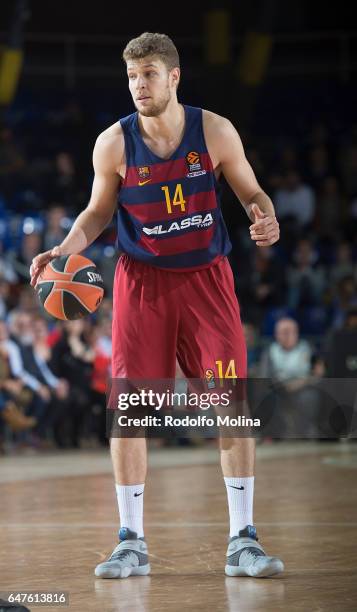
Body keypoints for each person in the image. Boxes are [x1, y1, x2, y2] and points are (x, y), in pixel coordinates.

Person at [30, 32, 283, 579]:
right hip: (141, 283)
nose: (138, 85)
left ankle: (243, 539)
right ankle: (130, 542)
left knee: (230, 405)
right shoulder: (113, 144)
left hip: (206, 282)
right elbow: (97, 213)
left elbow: (251, 192)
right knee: (130, 413)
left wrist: (264, 214)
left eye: (148, 74)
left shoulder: (213, 130)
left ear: (173, 77)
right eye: (131, 77)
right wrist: (63, 250)